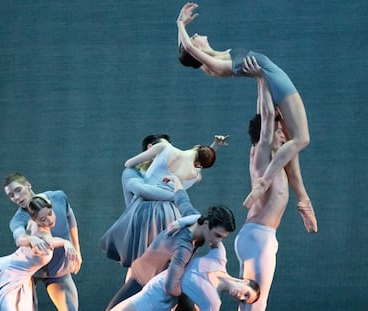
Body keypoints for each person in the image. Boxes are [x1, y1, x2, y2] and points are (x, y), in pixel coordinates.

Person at [176, 2, 317, 232]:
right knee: (302, 139)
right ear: (195, 50)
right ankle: (265, 183)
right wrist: (180, 24)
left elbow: (188, 53)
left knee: (291, 154)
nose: (197, 34)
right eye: (193, 38)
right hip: (273, 78)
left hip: (268, 80)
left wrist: (182, 34)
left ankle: (303, 201)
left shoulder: (215, 58)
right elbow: (189, 52)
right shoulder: (215, 65)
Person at [100, 134, 229, 277]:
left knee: (138, 265)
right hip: (171, 214)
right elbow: (203, 161)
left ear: (197, 147)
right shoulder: (196, 175)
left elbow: (128, 164)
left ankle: (133, 297)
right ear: (199, 164)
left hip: (147, 210)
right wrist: (214, 147)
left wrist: (150, 158)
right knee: (163, 266)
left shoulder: (164, 148)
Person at [105, 174, 236, 310]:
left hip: (151, 282)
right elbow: (171, 287)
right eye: (217, 235)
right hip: (141, 282)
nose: (218, 241)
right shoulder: (183, 247)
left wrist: (176, 179)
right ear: (207, 223)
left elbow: (182, 199)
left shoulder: (192, 218)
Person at [234, 73, 292, 310]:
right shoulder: (261, 153)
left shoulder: (270, 159)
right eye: (279, 131)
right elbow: (265, 120)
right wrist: (263, 78)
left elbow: (264, 116)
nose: (283, 135)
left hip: (260, 236)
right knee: (256, 303)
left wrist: (261, 84)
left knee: (250, 301)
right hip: (258, 237)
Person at [0, 194, 77, 311]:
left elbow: (67, 213)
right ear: (34, 220)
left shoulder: (45, 217)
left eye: (50, 213)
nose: (49, 220)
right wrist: (32, 239)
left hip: (22, 279)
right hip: (7, 275)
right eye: (43, 219)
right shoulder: (37, 231)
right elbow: (23, 239)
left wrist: (70, 245)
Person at [4, 173, 82, 311]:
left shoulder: (58, 197)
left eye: (18, 190)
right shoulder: (18, 220)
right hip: (28, 273)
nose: (16, 197)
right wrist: (31, 238)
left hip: (57, 270)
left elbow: (70, 216)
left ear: (28, 185)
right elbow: (20, 238)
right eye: (11, 195)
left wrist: (76, 249)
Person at [110, 242, 259, 311]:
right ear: (245, 281)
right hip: (149, 290)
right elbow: (210, 226)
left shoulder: (212, 302)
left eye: (243, 300)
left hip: (154, 303)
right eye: (246, 293)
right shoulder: (218, 258)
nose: (241, 297)